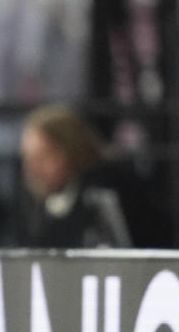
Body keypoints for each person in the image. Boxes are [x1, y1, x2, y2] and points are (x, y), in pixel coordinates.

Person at [16, 105, 132, 248]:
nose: (33, 168)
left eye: (43, 156)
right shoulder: (32, 202)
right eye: (28, 157)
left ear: (73, 152)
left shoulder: (106, 190)